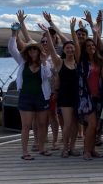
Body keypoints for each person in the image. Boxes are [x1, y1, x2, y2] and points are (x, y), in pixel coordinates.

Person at [8, 23, 52, 160]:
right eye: (30, 48)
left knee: (42, 124)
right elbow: (12, 48)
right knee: (26, 125)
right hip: (26, 96)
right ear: (27, 51)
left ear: (39, 50)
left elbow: (48, 76)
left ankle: (42, 147)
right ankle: (25, 152)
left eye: (35, 48)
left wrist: (44, 63)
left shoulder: (44, 62)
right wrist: (14, 34)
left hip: (41, 96)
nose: (32, 50)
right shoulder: (22, 62)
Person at [68, 18, 103, 160]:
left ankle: (92, 149)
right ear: (85, 48)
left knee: (95, 126)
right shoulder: (81, 60)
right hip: (86, 97)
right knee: (92, 124)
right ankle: (86, 150)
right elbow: (76, 45)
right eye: (88, 45)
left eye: (93, 45)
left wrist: (96, 33)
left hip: (99, 96)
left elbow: (99, 44)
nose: (91, 47)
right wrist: (73, 29)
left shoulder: (99, 61)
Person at [39, 21, 79, 158]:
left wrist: (72, 29)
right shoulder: (59, 62)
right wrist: (47, 33)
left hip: (78, 96)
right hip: (65, 96)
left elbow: (77, 45)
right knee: (67, 123)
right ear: (64, 50)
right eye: (67, 48)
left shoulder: (78, 62)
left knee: (76, 124)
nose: (70, 50)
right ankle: (65, 148)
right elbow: (50, 46)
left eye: (72, 48)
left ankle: (73, 147)